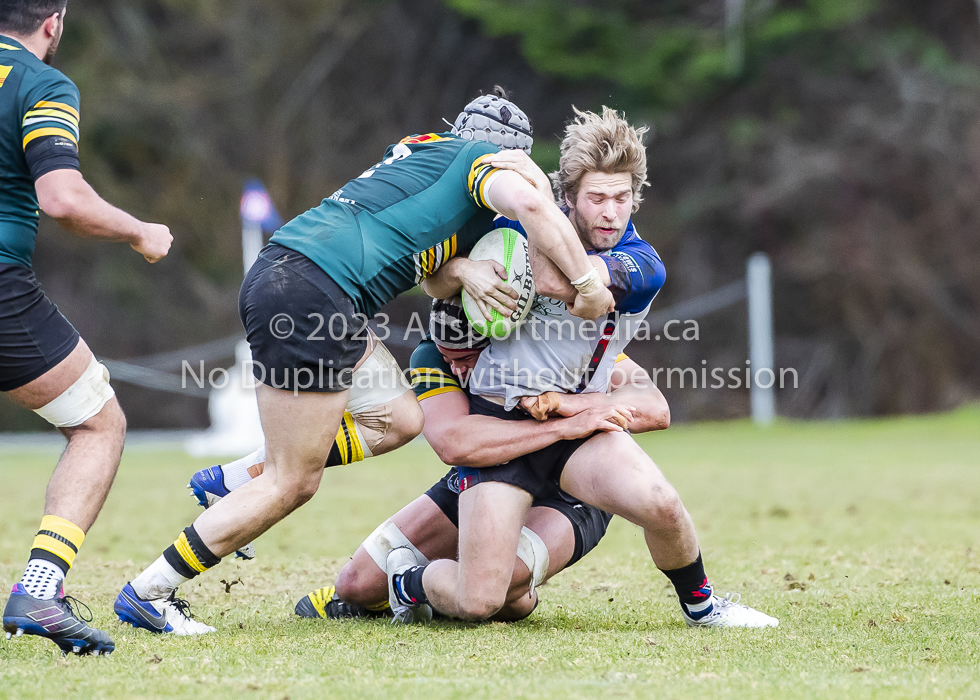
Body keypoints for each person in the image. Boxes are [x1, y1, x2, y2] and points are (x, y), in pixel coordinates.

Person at [114, 88, 615, 635]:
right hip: (314, 293)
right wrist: (586, 284)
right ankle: (150, 592)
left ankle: (234, 478)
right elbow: (534, 206)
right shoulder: (480, 164)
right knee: (293, 482)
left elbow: (430, 273)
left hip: (298, 279)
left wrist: (468, 271)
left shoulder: (419, 150)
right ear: (508, 157)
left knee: (400, 418)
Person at [387, 107, 779, 628]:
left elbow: (563, 281)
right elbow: (431, 272)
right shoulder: (513, 223)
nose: (611, 213)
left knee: (660, 503)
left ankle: (703, 607)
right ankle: (408, 581)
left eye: (622, 198)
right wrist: (465, 268)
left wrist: (531, 214)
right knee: (483, 600)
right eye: (596, 198)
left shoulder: (641, 262)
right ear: (570, 197)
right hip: (502, 419)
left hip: (576, 431)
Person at [290, 296, 668, 622]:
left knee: (503, 595)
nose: (457, 368)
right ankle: (420, 591)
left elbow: (655, 409)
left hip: (571, 489)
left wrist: (581, 404)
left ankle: (414, 584)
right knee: (355, 584)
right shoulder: (433, 353)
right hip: (491, 473)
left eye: (467, 357)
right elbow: (453, 443)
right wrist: (561, 428)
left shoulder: (561, 343)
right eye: (450, 357)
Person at [0, 0, 172, 656]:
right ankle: (40, 589)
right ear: (54, 22)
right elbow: (62, 198)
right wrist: (140, 231)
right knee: (99, 423)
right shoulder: (40, 82)